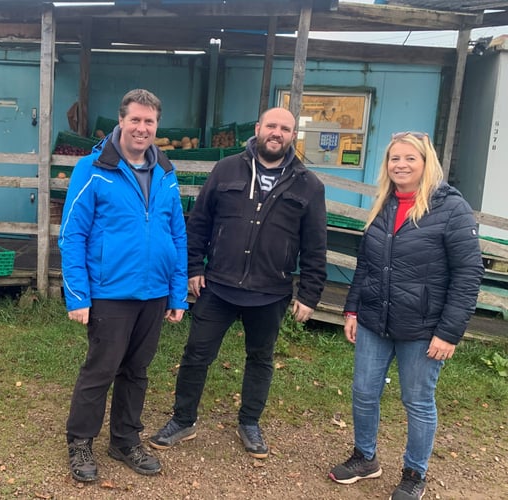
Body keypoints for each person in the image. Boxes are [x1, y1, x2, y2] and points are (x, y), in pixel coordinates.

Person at [149, 107, 328, 459]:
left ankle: (249, 423)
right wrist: (193, 269)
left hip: (270, 291)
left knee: (260, 358)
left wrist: (309, 293)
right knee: (196, 354)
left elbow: (315, 245)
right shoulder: (226, 169)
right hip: (219, 285)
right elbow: (199, 221)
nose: (277, 133)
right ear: (258, 128)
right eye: (272, 126)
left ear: (293, 136)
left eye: (286, 129)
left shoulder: (309, 184)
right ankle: (183, 419)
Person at [328, 132, 484, 500]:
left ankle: (415, 472)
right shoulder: (384, 203)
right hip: (374, 321)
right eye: (394, 158)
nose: (401, 164)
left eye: (409, 158)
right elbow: (366, 264)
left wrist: (449, 332)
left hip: (423, 328)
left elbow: (468, 273)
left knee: (417, 401)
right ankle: (365, 458)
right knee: (364, 393)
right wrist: (352, 308)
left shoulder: (451, 208)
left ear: (426, 162)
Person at [59, 88, 189, 482]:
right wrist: (78, 295)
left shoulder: (165, 171)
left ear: (156, 126)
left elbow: (177, 234)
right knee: (101, 370)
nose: (142, 128)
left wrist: (177, 291)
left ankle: (124, 440)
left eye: (149, 121)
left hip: (154, 292)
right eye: (135, 119)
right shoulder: (93, 168)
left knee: (137, 370)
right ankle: (80, 442)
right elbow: (72, 234)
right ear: (121, 121)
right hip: (109, 292)